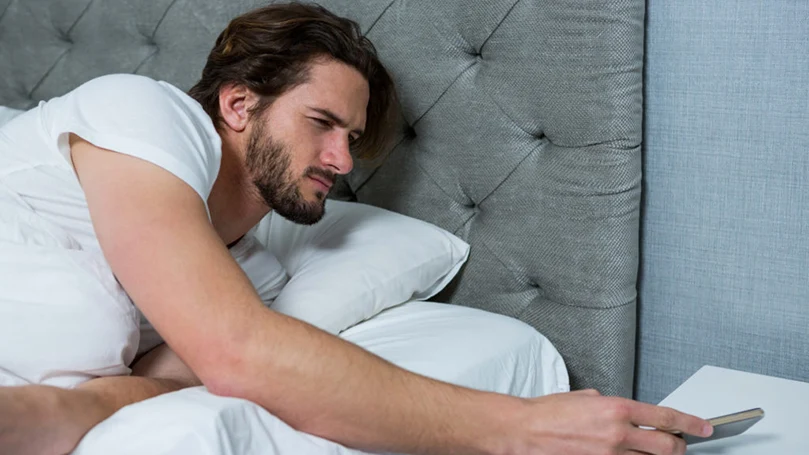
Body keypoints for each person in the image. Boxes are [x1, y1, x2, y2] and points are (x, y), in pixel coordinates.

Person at [0, 2, 712, 455]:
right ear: (239, 103)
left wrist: (76, 406)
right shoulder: (143, 112)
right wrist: (520, 427)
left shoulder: (251, 279)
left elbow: (189, 373)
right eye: (321, 123)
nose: (341, 161)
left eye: (353, 136)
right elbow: (238, 354)